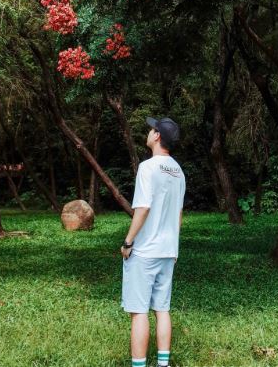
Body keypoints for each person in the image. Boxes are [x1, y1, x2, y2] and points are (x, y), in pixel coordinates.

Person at [121, 116, 185, 367]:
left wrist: (128, 242)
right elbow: (178, 216)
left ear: (157, 136)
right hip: (169, 251)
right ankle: (163, 364)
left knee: (139, 312)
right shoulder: (178, 171)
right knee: (162, 308)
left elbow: (143, 208)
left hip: (145, 251)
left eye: (151, 129)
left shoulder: (148, 168)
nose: (148, 132)